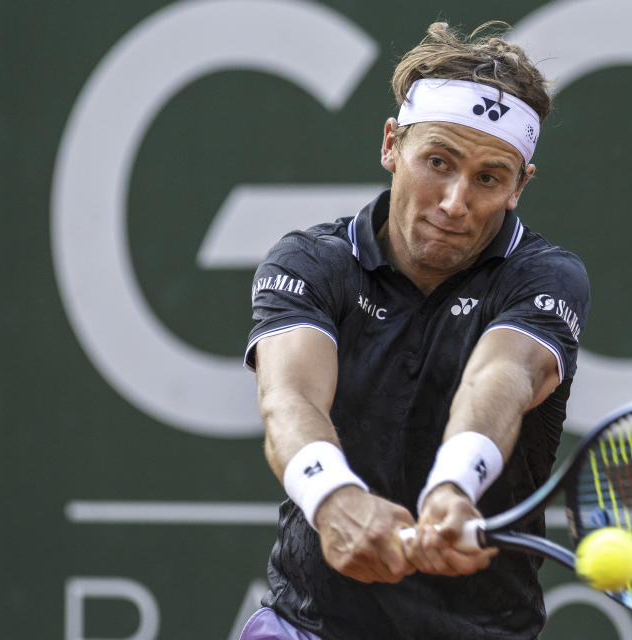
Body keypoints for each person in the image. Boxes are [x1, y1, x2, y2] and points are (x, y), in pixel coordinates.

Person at [240, 21, 590, 640]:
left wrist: (453, 485)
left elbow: (501, 379)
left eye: (488, 177)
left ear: (518, 186)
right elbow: (289, 401)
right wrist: (334, 497)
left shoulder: (545, 276)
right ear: (391, 146)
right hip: (310, 627)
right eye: (438, 161)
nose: (456, 202)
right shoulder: (311, 263)